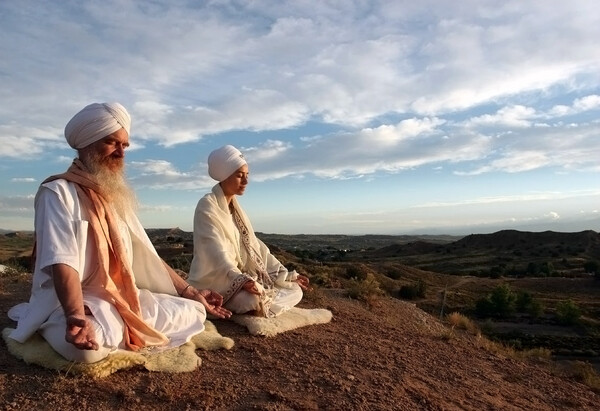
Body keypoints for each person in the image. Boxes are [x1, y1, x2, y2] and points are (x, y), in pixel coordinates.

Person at [8, 102, 231, 364]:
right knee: (86, 350)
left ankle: (118, 328)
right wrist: (75, 316)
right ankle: (69, 327)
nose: (121, 153)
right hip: (71, 302)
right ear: (87, 144)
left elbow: (143, 253)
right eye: (112, 143)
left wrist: (190, 292)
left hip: (122, 296)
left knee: (194, 310)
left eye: (124, 145)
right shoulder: (57, 193)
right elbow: (62, 261)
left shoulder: (113, 196)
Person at [188, 145, 310, 318]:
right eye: (239, 176)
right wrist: (240, 280)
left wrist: (285, 274)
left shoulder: (237, 210)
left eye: (247, 175)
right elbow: (214, 250)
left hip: (242, 276)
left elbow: (255, 245)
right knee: (251, 300)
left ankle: (262, 306)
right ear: (224, 176)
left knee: (295, 290)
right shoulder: (207, 205)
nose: (245, 181)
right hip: (216, 280)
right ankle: (257, 306)